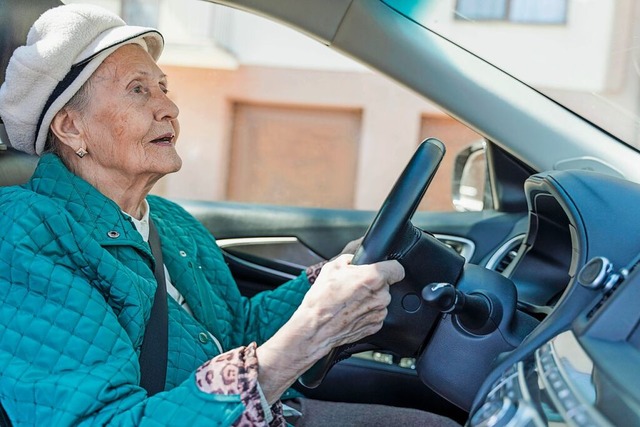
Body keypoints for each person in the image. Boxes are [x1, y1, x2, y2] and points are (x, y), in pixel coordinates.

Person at [0, 4, 460, 426]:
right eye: (138, 90)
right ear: (70, 126)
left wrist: (327, 287)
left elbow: (234, 330)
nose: (169, 107)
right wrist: (303, 339)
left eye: (163, 87)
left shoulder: (167, 220)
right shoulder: (27, 234)